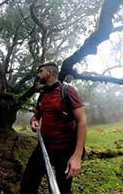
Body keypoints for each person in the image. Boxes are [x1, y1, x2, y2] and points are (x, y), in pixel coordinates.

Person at [20, 62, 87, 194]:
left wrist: (77, 156)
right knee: (27, 184)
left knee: (62, 189)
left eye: (41, 71)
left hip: (66, 149)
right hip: (45, 146)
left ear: (49, 73)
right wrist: (34, 122)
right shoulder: (42, 95)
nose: (38, 75)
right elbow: (36, 117)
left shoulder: (67, 91)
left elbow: (82, 122)